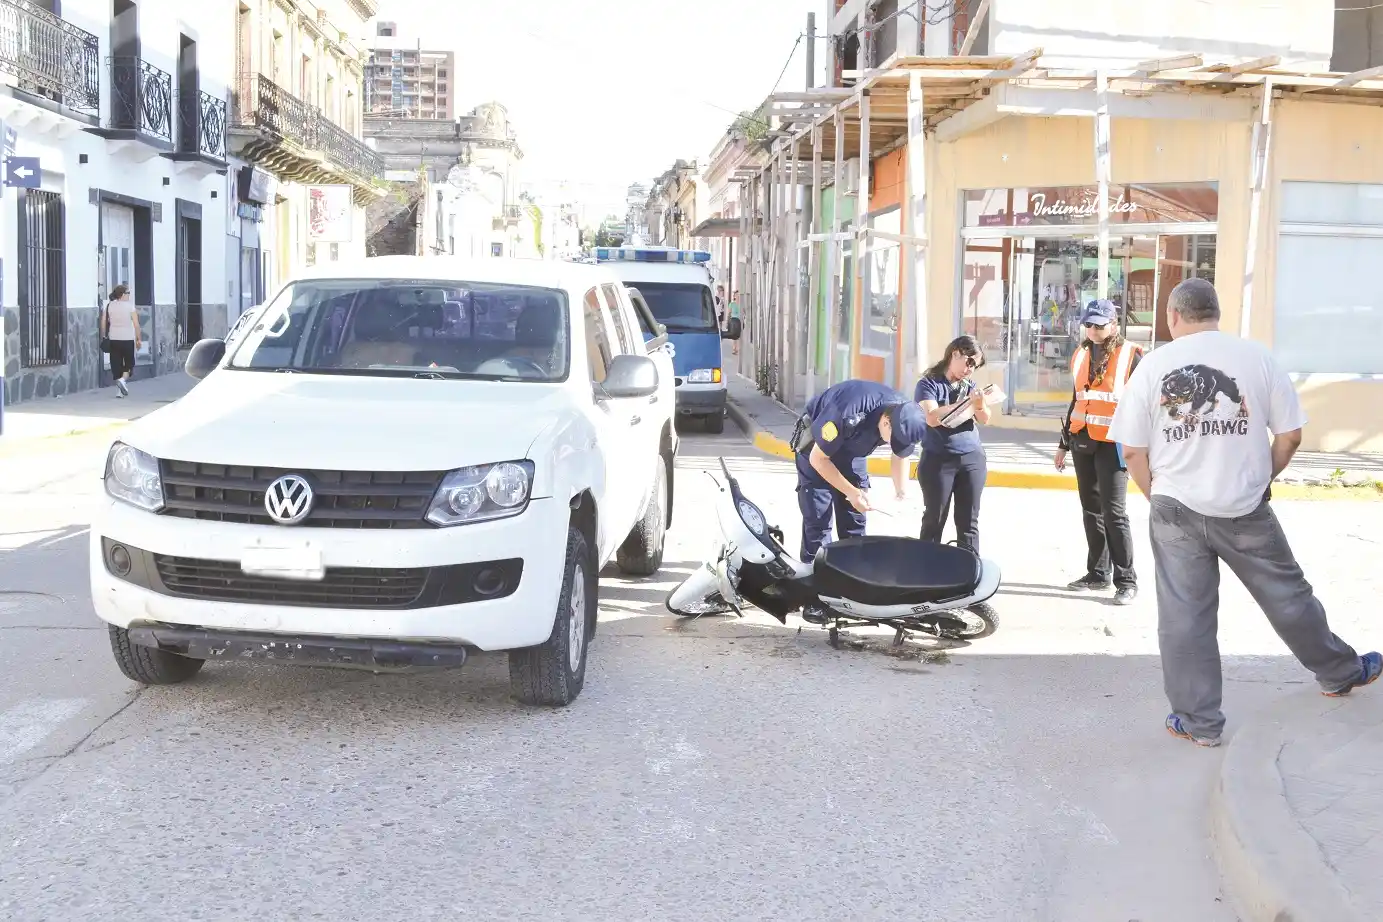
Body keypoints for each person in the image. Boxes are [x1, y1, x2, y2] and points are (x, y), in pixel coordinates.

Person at [1108, 278, 1380, 748]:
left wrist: (1158, 495)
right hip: (1245, 505)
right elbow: (1290, 436)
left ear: (1173, 316)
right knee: (1287, 595)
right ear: (1216, 313)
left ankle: (1199, 724)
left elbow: (1132, 450)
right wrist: (1262, 478)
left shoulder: (1152, 366)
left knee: (1185, 615)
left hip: (1175, 507)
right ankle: (1339, 672)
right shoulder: (1257, 358)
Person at [1055, 299, 1143, 605]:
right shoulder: (1080, 354)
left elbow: (1144, 404)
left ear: (1114, 324)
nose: (1093, 330)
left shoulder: (1132, 355)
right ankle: (1098, 573)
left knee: (1114, 512)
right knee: (1091, 510)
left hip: (1115, 444)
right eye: (1088, 324)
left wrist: (1141, 448)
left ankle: (1126, 580)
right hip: (1083, 440)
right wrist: (1063, 444)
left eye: (1099, 325)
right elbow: (1076, 399)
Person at [792, 379, 928, 567]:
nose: (894, 445)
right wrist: (851, 492)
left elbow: (900, 454)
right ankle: (816, 575)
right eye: (895, 441)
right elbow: (818, 460)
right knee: (818, 520)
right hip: (817, 447)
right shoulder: (846, 413)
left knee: (855, 520)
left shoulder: (905, 414)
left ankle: (852, 573)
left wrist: (901, 490)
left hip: (853, 450)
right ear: (886, 423)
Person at [914, 335, 990, 556]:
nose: (970, 369)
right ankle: (926, 569)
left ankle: (969, 568)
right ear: (955, 353)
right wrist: (965, 403)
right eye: (969, 362)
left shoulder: (970, 386)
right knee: (934, 519)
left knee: (969, 521)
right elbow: (931, 417)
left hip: (972, 457)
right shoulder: (929, 383)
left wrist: (979, 405)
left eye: (975, 366)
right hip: (939, 459)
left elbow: (985, 418)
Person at [100, 284, 139, 398]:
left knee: (116, 365)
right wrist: (138, 339)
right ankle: (123, 380)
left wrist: (103, 336)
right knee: (129, 364)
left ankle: (120, 391)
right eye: (128, 293)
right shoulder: (130, 307)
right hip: (127, 339)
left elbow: (103, 323)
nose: (129, 295)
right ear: (122, 294)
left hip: (114, 339)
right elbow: (136, 325)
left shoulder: (109, 306)